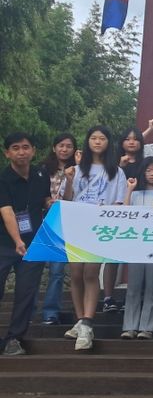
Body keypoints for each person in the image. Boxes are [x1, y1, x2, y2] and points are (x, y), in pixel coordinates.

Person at [61, 125, 127, 350]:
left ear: (108, 143)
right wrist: (69, 179)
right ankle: (80, 320)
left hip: (99, 227)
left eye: (102, 138)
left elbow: (119, 202)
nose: (97, 142)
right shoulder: (77, 169)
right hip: (77, 225)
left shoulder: (116, 171)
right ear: (87, 142)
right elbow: (67, 200)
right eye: (93, 138)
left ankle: (88, 322)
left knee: (91, 272)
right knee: (76, 273)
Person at [0, 132, 51, 356]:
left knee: (26, 293)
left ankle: (14, 339)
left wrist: (51, 202)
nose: (21, 152)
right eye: (16, 148)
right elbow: (7, 212)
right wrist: (17, 240)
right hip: (4, 243)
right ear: (7, 153)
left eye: (25, 147)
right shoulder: (3, 179)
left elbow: (44, 199)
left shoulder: (41, 174)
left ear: (33, 151)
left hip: (34, 243)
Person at [120, 157, 153, 339]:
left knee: (152, 286)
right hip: (136, 244)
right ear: (143, 172)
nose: (152, 174)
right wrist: (129, 189)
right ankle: (129, 326)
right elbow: (124, 212)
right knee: (133, 286)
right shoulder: (135, 194)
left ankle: (147, 327)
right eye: (149, 170)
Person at [101, 126, 146, 314]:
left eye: (135, 139)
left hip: (140, 213)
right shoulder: (112, 163)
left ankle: (133, 297)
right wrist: (119, 166)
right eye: (127, 139)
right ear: (121, 142)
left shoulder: (145, 163)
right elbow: (105, 184)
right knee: (112, 256)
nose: (132, 142)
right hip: (117, 212)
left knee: (136, 257)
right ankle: (108, 297)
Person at [40, 133, 77, 326]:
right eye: (61, 145)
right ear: (54, 147)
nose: (64, 149)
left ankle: (50, 313)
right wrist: (46, 201)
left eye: (69, 146)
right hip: (43, 220)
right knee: (33, 269)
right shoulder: (42, 169)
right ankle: (28, 311)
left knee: (57, 271)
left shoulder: (78, 169)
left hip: (65, 222)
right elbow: (36, 192)